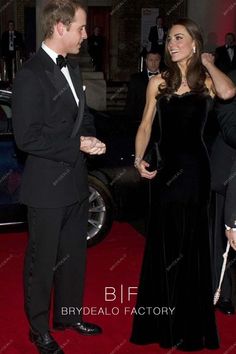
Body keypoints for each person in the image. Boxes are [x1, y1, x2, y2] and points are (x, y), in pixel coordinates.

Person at [130, 18, 235, 351]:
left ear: (194, 43)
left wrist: (207, 62)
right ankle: (162, 322)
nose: (171, 44)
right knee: (163, 242)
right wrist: (138, 158)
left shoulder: (206, 80)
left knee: (191, 245)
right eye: (170, 39)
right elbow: (145, 125)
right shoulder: (158, 83)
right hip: (166, 171)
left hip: (196, 172)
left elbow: (229, 91)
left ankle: (189, 324)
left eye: (179, 38)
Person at [12, 1, 106, 353]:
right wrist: (77, 145)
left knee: (73, 256)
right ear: (61, 27)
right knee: (42, 261)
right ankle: (39, 329)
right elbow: (27, 137)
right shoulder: (31, 73)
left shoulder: (74, 69)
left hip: (76, 184)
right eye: (81, 28)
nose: (86, 34)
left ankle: (68, 316)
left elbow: (82, 116)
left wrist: (92, 137)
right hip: (45, 189)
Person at [210, 71, 236, 315]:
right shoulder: (228, 80)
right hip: (227, 175)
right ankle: (222, 292)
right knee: (222, 237)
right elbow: (230, 130)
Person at [125, 51, 161, 122]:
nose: (153, 63)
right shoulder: (135, 78)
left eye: (156, 60)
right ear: (146, 61)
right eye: (151, 60)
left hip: (161, 118)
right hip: (141, 117)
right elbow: (131, 101)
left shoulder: (167, 77)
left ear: (160, 60)